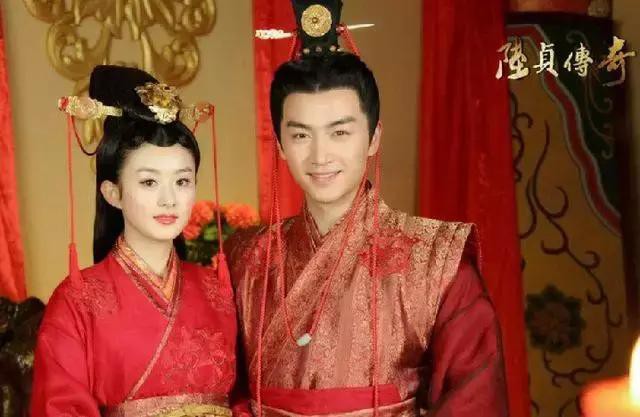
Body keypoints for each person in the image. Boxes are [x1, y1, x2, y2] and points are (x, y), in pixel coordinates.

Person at [227, 1, 509, 415]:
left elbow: (474, 399)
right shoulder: (246, 259)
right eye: (301, 135)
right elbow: (222, 390)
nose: (320, 156)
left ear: (374, 137)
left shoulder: (437, 261)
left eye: (340, 132)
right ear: (282, 145)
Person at [31, 65, 237, 417]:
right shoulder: (78, 301)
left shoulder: (217, 290)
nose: (169, 200)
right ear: (112, 193)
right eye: (148, 182)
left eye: (182, 181)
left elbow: (246, 399)